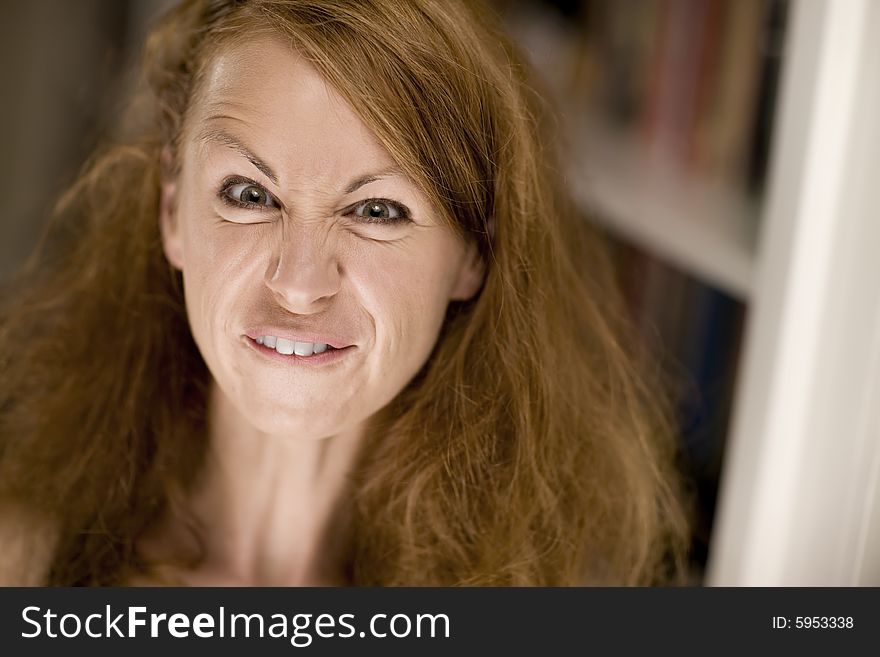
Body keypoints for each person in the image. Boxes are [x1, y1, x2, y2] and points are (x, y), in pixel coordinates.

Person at [0, 0, 691, 586]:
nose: (299, 285)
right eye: (249, 194)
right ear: (171, 212)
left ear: (473, 253)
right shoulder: (23, 562)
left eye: (377, 211)